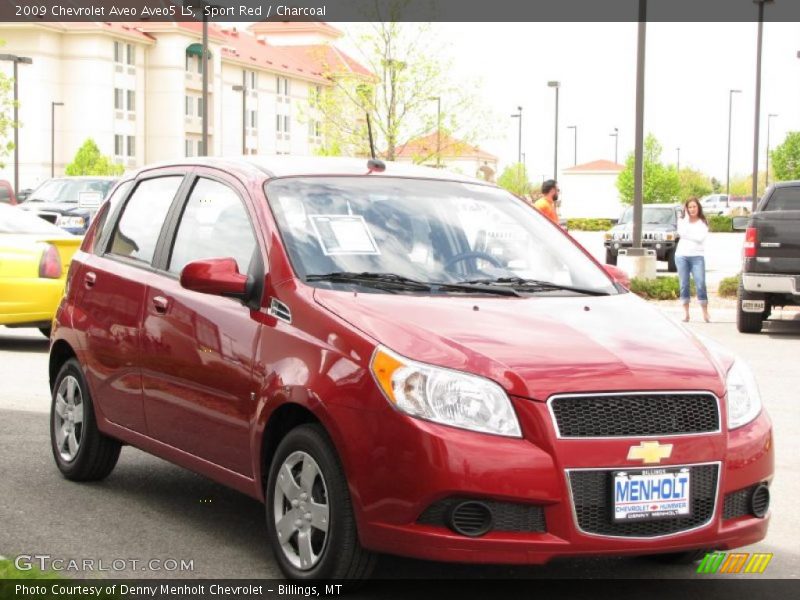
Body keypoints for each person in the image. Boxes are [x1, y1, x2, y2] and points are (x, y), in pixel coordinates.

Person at [676, 197, 710, 323]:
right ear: (686, 209)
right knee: (684, 284)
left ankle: (705, 312)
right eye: (689, 207)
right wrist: (685, 219)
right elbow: (681, 233)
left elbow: (700, 238)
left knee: (700, 284)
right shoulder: (682, 220)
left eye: (694, 206)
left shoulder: (703, 222)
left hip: (697, 256)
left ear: (698, 207)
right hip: (681, 256)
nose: (692, 209)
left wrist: (687, 235)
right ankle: (686, 314)